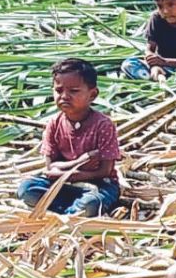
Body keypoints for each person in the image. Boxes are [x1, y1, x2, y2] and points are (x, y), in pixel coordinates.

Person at [18, 59, 123, 216]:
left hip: (99, 185)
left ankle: (66, 213)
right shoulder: (54, 124)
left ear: (92, 94)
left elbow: (105, 170)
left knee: (90, 203)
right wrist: (79, 162)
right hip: (62, 184)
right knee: (26, 189)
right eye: (59, 91)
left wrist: (73, 174)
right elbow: (50, 168)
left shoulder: (103, 125)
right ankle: (71, 213)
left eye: (73, 91)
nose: (65, 96)